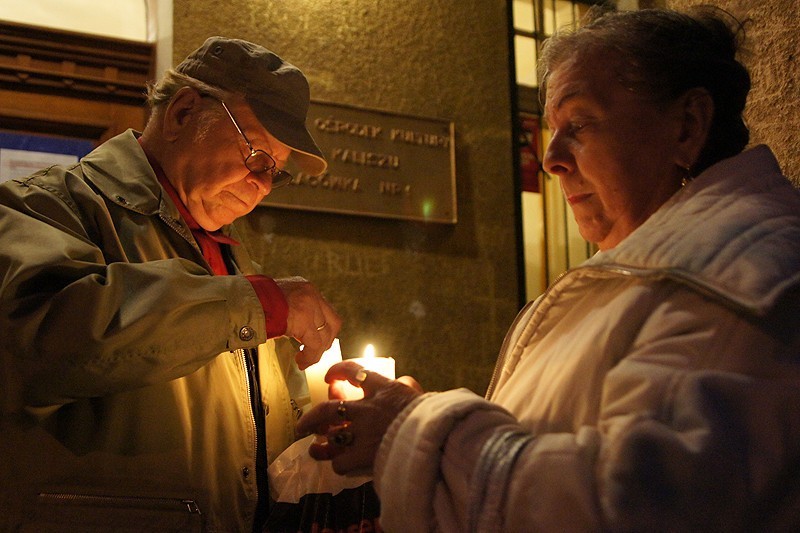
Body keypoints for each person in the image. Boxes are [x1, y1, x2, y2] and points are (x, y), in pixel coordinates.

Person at [297, 6, 800, 531]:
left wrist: (414, 430)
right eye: (550, 130)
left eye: (578, 123)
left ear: (687, 126)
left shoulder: (738, 282)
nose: (551, 158)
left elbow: (634, 507)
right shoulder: (646, 272)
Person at [0, 37, 342, 532]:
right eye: (258, 158)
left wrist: (325, 420)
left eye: (276, 174)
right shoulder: (45, 207)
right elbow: (44, 336)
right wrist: (262, 304)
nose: (263, 186)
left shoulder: (230, 259)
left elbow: (248, 427)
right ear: (184, 112)